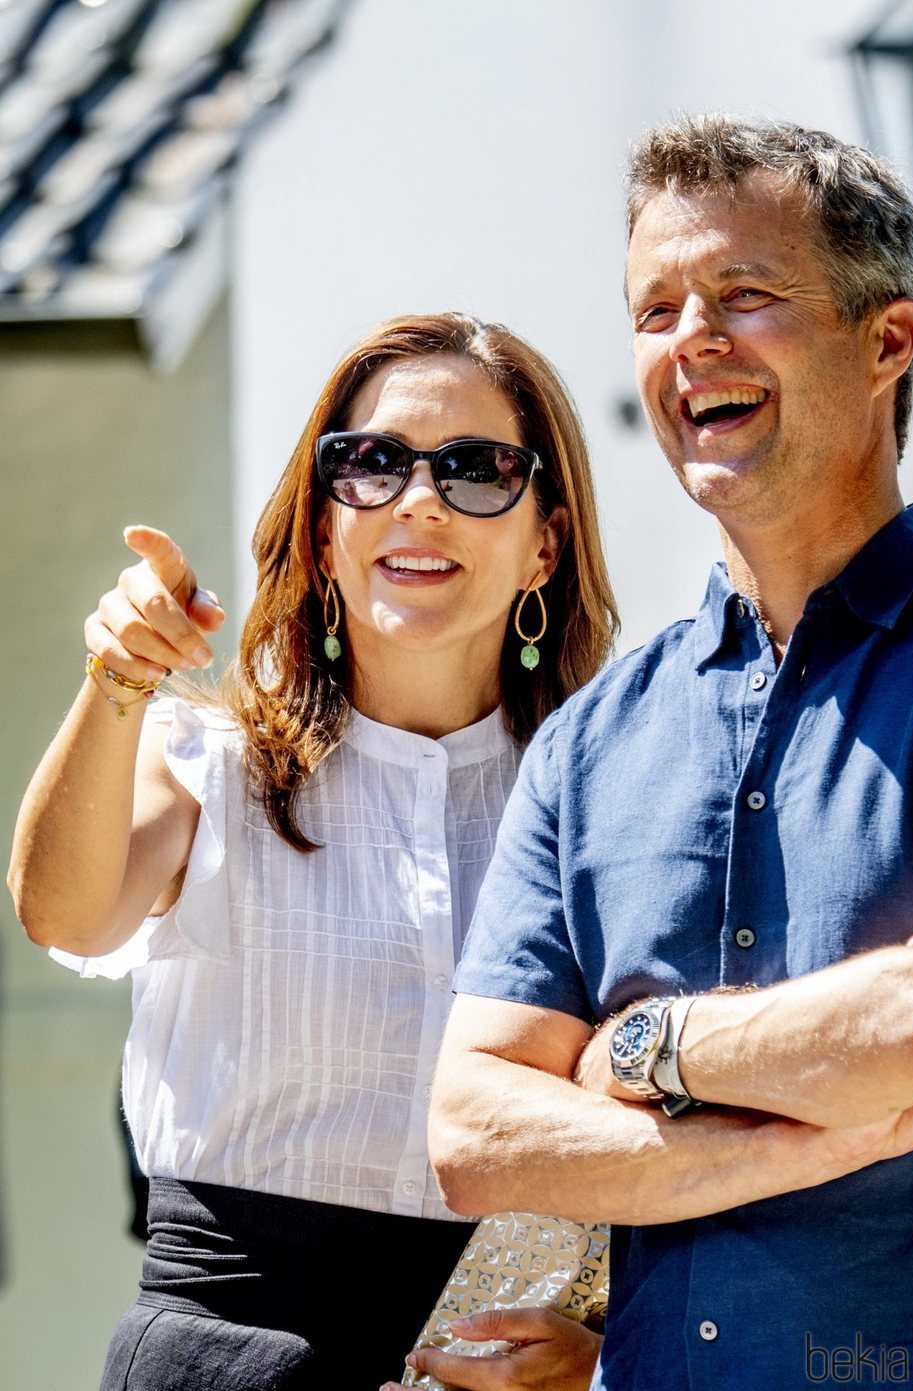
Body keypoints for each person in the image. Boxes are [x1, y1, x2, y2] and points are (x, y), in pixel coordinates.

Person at [427, 114, 913, 1390]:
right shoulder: (587, 739)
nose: (691, 342)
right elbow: (473, 1128)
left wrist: (643, 1048)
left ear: (888, 338)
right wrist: (800, 1132)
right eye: (656, 308)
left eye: (744, 294)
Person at [7, 312, 618, 1390]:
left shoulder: (609, 801)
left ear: (545, 544)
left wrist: (602, 1346)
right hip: (226, 1356)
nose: (417, 497)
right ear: (321, 522)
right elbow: (63, 909)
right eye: (369, 463)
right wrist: (116, 681)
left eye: (475, 467)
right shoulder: (203, 755)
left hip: (503, 1365)